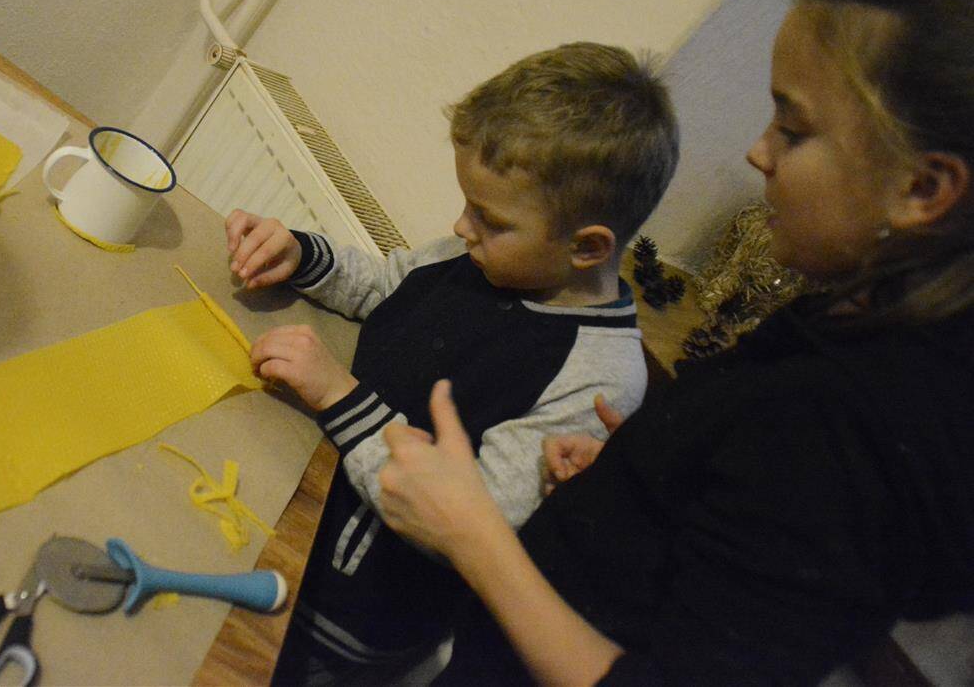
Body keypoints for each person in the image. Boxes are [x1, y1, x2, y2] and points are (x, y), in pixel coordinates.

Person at [376, 0, 974, 686]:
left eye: (793, 131)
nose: (758, 153)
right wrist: (648, 480)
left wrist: (472, 536)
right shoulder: (854, 322)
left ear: (921, 189)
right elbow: (753, 538)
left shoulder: (851, 430)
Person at [224, 42, 680, 685]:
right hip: (292, 496)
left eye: (488, 218)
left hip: (344, 613)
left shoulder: (600, 376)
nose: (462, 227)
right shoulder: (478, 256)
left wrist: (338, 396)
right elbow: (385, 285)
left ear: (586, 247)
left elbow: (471, 518)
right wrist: (301, 255)